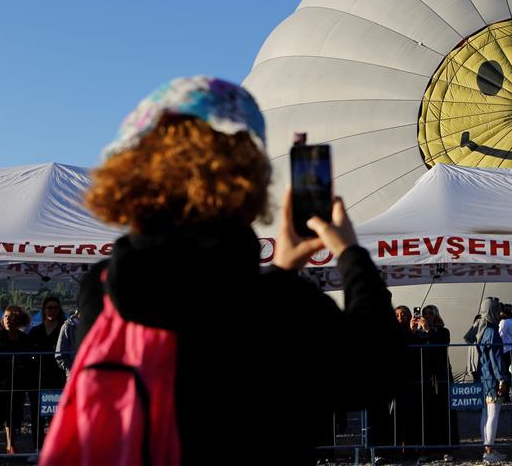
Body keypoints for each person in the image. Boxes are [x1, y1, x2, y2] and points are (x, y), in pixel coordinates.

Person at [42, 76, 404, 464]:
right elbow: (376, 375)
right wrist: (350, 253)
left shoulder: (100, 289)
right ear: (248, 179)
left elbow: (192, 315)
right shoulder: (286, 309)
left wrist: (280, 276)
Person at [0, 305, 33, 455]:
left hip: (17, 381)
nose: (7, 319)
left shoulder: (24, 339)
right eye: (5, 316)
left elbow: (28, 360)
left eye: (11, 317)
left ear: (18, 319)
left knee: (14, 415)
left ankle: (10, 445)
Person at [412, 304, 454, 460]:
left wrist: (429, 329)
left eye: (431, 313)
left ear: (436, 315)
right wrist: (413, 331)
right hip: (424, 376)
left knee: (443, 411)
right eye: (425, 313)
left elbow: (441, 344)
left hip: (441, 376)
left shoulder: (443, 331)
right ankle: (427, 449)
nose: (427, 315)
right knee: (426, 412)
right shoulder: (418, 333)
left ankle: (446, 448)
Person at [471, 297, 509, 464]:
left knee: (485, 415)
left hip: (483, 376)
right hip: (493, 378)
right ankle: (489, 451)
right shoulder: (492, 331)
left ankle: (487, 448)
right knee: (493, 414)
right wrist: (502, 378)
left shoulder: (479, 328)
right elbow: (496, 358)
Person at [28, 296, 67, 448]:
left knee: (54, 416)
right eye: (49, 307)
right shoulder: (35, 331)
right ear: (44, 310)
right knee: (36, 417)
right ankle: (37, 448)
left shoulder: (64, 329)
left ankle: (54, 448)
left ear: (59, 310)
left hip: (56, 378)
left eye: (55, 308)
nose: (52, 310)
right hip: (36, 379)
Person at [498, 303, 512, 400]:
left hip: (508, 350)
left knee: (505, 372)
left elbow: (500, 335)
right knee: (506, 372)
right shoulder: (511, 322)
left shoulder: (504, 322)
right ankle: (508, 393)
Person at [54, 310, 80, 379]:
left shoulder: (96, 326)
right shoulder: (67, 327)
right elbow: (60, 355)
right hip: (74, 377)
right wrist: (72, 370)